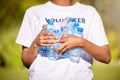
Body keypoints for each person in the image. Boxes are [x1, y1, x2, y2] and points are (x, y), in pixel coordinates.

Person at [16, 0, 111, 80]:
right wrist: (36, 44)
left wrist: (80, 42)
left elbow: (106, 57)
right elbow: (26, 62)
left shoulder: (90, 12)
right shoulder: (33, 12)